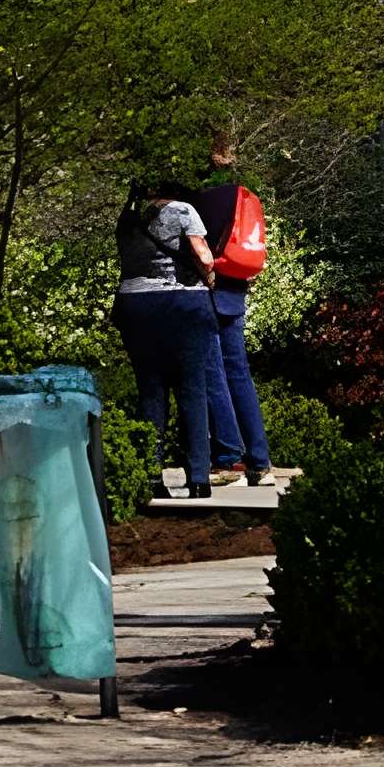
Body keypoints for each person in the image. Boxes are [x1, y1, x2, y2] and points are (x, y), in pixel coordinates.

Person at [113, 178, 220, 498]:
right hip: (182, 306)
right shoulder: (183, 210)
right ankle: (199, 478)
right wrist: (212, 278)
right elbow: (203, 256)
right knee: (192, 389)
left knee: (151, 391)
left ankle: (151, 477)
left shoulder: (128, 217)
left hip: (135, 306)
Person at [190, 135, 270, 486]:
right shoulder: (243, 194)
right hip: (237, 286)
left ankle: (226, 459)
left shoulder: (199, 199)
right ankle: (259, 460)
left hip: (210, 286)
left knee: (212, 371)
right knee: (239, 372)